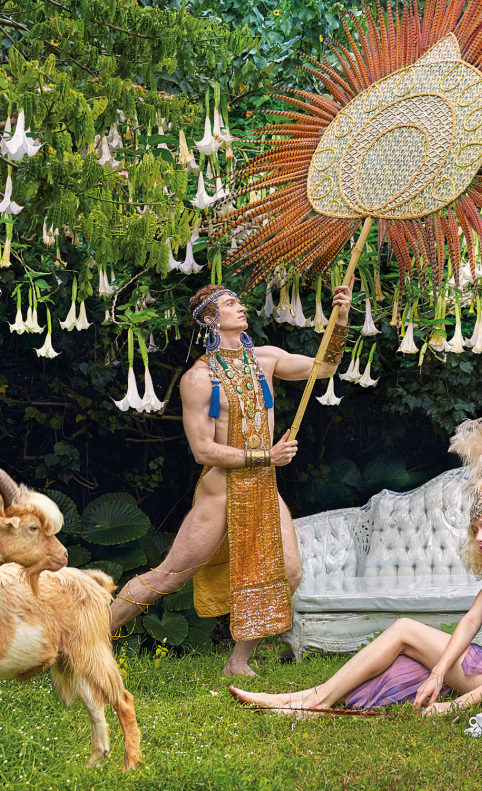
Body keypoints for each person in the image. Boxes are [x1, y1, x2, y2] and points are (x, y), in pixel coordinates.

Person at [109, 282, 351, 676]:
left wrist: (341, 318)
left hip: (263, 487)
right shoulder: (198, 378)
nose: (240, 306)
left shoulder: (266, 359)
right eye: (229, 303)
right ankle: (89, 641)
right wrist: (267, 456)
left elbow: (324, 368)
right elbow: (203, 451)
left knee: (288, 573)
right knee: (170, 576)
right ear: (210, 318)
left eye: (238, 300)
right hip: (220, 491)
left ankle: (237, 662)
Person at [229, 417, 482, 716]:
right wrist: (438, 670)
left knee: (404, 629)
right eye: (475, 530)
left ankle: (315, 701)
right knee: (401, 668)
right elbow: (472, 619)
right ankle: (301, 698)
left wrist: (455, 705)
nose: (479, 538)